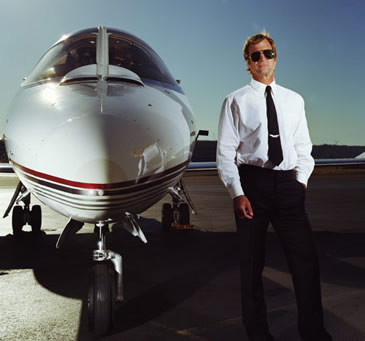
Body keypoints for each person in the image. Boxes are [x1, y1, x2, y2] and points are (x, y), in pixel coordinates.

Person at [216, 32, 332, 341]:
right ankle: (258, 335)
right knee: (252, 266)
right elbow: (225, 154)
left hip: (288, 184)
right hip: (252, 186)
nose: (262, 60)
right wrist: (237, 192)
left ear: (275, 57)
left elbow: (304, 149)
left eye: (267, 53)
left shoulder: (294, 100)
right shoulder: (235, 101)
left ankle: (313, 332)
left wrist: (300, 184)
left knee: (306, 263)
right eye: (255, 56)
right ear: (248, 63)